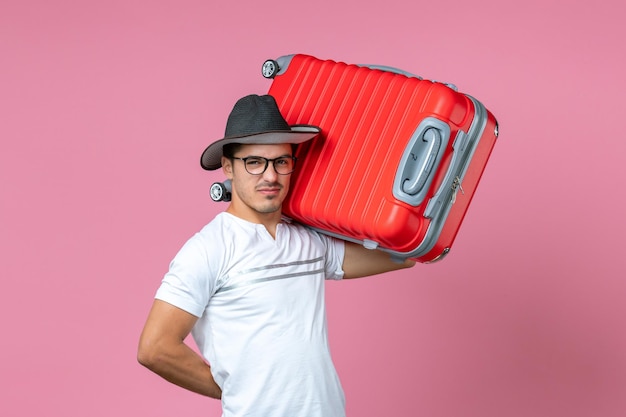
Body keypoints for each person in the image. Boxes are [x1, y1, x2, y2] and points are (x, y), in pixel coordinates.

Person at [137, 94, 415, 417]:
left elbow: (403, 255)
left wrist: (426, 238)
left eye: (281, 161)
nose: (270, 176)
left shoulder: (308, 240)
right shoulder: (208, 249)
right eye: (254, 162)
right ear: (228, 167)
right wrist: (232, 389)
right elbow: (154, 348)